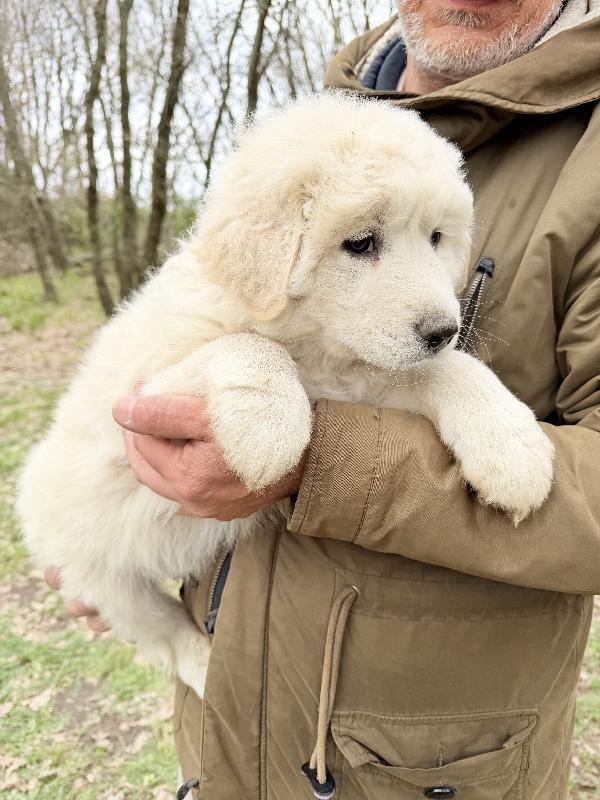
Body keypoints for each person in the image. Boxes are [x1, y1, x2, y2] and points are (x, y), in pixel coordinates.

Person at [50, 0, 600, 796]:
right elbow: (173, 357)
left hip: (434, 766)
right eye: (363, 243)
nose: (438, 308)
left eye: (440, 243)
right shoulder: (318, 134)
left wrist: (339, 453)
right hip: (231, 726)